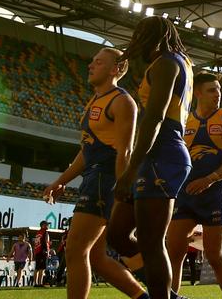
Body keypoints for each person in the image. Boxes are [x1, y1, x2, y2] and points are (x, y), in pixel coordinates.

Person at [44, 47, 148, 299]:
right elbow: (86, 151)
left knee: (75, 249)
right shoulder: (95, 100)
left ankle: (162, 289)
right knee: (96, 257)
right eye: (92, 62)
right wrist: (61, 180)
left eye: (98, 63)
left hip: (105, 179)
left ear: (115, 70)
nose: (90, 66)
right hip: (94, 176)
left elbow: (125, 152)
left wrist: (124, 193)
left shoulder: (122, 101)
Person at [106, 16, 195, 299]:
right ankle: (168, 294)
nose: (136, 45)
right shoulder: (178, 62)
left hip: (163, 153)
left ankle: (162, 295)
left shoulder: (167, 63)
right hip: (155, 154)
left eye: (140, 38)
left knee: (151, 241)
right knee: (118, 235)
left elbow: (154, 118)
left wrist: (131, 169)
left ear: (155, 38)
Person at [168, 72, 222, 298]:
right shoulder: (184, 120)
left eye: (219, 90)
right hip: (186, 193)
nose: (217, 94)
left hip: (215, 195)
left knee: (214, 255)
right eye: (212, 90)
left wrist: (209, 179)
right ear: (198, 92)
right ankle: (171, 296)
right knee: (174, 252)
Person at [32, 221, 52, 288]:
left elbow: (35, 243)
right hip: (43, 252)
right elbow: (46, 242)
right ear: (43, 225)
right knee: (42, 268)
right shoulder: (45, 232)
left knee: (37, 268)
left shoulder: (38, 233)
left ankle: (35, 283)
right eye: (47, 225)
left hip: (37, 252)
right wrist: (47, 251)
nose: (48, 226)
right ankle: (40, 283)